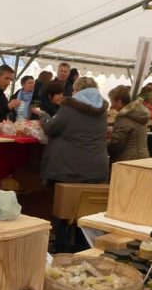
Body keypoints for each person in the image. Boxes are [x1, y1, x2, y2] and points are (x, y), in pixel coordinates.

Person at [38, 76, 109, 252]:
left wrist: (44, 116)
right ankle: (83, 250)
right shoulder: (102, 110)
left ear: (77, 90)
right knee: (86, 214)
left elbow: (50, 128)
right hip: (95, 170)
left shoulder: (70, 107)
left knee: (63, 214)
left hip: (67, 169)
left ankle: (61, 252)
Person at [107, 85, 149, 163]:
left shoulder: (124, 118)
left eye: (112, 101)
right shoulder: (136, 113)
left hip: (128, 161)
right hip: (141, 158)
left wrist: (101, 142)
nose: (111, 105)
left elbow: (116, 145)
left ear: (119, 101)